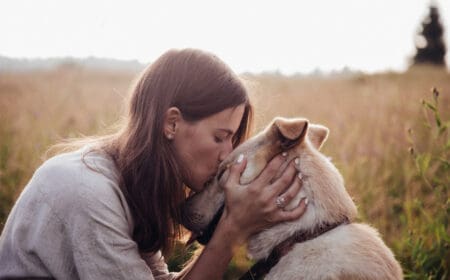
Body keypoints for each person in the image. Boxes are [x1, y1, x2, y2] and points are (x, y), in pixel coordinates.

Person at [0, 49, 307, 279]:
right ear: (171, 123)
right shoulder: (87, 193)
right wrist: (232, 230)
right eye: (219, 137)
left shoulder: (132, 186)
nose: (227, 155)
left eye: (232, 140)